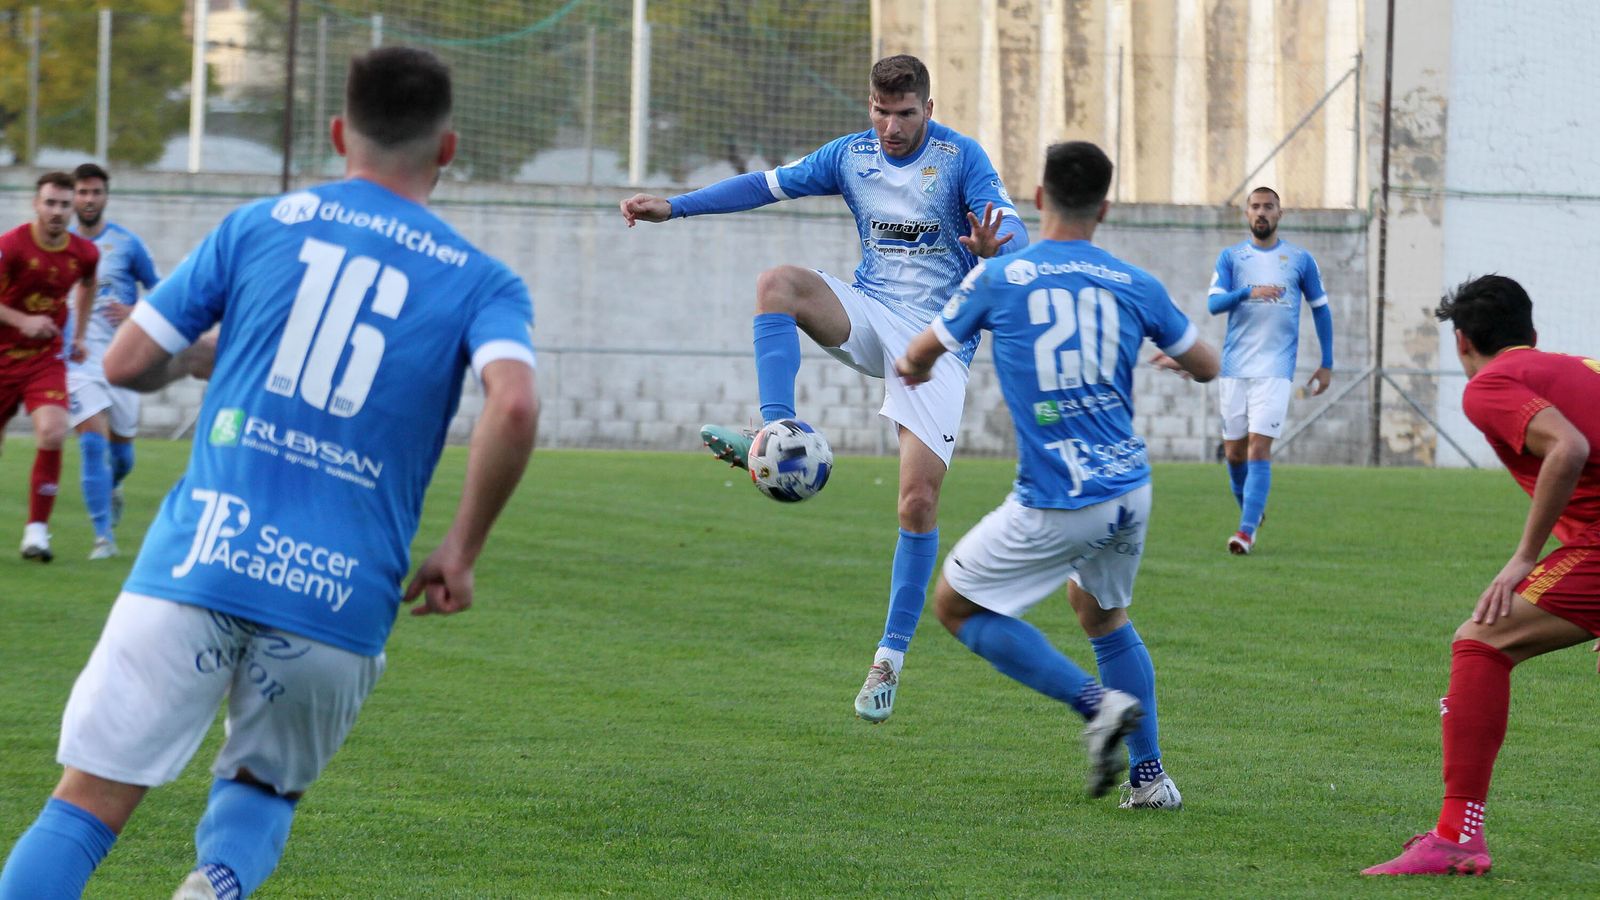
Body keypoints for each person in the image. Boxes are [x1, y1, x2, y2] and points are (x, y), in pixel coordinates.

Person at [0, 46, 538, 900]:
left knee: (85, 806)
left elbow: (132, 360)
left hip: (199, 559)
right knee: (261, 790)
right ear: (447, 149)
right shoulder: (482, 280)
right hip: (339, 596)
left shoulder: (259, 224)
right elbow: (513, 405)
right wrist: (460, 551)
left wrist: (202, 359)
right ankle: (211, 886)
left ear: (337, 134)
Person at [619, 54, 1028, 723]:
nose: (890, 126)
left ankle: (888, 661)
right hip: (867, 313)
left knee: (918, 503)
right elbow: (765, 185)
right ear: (869, 104)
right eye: (879, 109)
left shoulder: (960, 157)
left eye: (904, 113)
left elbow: (1010, 230)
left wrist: (996, 247)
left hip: (939, 343)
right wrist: (677, 206)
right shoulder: (851, 155)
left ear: (928, 107)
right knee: (777, 282)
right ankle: (776, 429)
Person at [895, 141, 1219, 806]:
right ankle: (1151, 779)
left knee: (955, 606)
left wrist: (923, 362)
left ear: (1039, 199)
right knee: (1100, 612)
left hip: (1057, 498)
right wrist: (1174, 355)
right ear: (1105, 207)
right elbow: (1208, 364)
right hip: (1129, 490)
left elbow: (915, 356)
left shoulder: (997, 280)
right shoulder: (1136, 283)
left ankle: (1096, 705)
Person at [1363, 275, 1600, 876]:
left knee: (1480, 641)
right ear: (1533, 333)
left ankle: (1457, 836)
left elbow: (1568, 449)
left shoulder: (1492, 383)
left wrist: (1525, 555)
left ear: (1461, 341)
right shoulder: (1576, 367)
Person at [1206, 186, 1332, 555]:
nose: (1262, 213)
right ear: (1246, 214)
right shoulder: (1231, 258)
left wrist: (1327, 363)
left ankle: (1245, 532)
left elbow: (1321, 309)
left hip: (1276, 370)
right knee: (1234, 454)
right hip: (1235, 368)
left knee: (1259, 449)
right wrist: (1248, 292)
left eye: (1269, 207)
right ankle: (1251, 509)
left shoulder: (1299, 259)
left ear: (1280, 214)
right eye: (1255, 207)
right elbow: (1214, 304)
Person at [0, 171, 97, 563]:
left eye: (64, 204)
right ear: (36, 205)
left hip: (45, 358)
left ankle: (36, 533)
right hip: (4, 353)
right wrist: (22, 320)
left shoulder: (85, 252)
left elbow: (88, 283)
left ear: (74, 206)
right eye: (50, 203)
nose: (57, 211)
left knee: (54, 431)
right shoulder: (11, 246)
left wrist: (79, 336)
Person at [69, 162, 162, 559]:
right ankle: (103, 538)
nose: (89, 200)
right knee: (93, 444)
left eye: (96, 193)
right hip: (76, 361)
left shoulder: (126, 243)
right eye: (83, 193)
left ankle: (114, 485)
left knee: (121, 456)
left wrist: (134, 311)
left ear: (106, 197)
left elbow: (162, 291)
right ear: (73, 197)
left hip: (121, 359)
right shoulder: (59, 243)